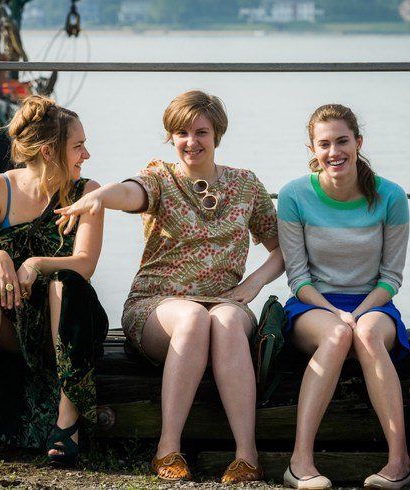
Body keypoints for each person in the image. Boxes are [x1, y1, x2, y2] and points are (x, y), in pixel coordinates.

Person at [56, 90, 284, 484]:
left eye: (201, 132)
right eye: (181, 133)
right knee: (194, 317)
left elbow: (282, 250)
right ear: (171, 137)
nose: (191, 142)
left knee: (227, 322)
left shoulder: (246, 185)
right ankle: (168, 448)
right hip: (158, 303)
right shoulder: (161, 176)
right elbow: (130, 192)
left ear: (217, 135)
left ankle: (247, 456)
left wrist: (254, 282)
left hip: (226, 301)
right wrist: (99, 198)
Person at [0, 95, 107, 466]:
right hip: (10, 323)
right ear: (49, 151)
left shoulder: (87, 192)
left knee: (67, 281)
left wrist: (36, 264)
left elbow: (85, 264)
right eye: (78, 146)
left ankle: (67, 423)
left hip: (66, 323)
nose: (86, 155)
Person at [277, 103, 410, 490]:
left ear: (358, 143)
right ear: (312, 150)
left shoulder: (391, 196)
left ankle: (399, 463)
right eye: (324, 144)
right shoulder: (293, 195)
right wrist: (336, 313)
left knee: (366, 334)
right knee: (337, 335)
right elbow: (298, 277)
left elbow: (391, 278)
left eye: (342, 141)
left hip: (374, 304)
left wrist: (358, 313)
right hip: (313, 304)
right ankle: (300, 464)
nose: (334, 151)